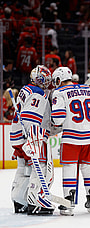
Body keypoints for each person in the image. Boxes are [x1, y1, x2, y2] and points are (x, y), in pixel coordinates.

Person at [51, 67, 90, 216]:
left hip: (72, 136)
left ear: (59, 80)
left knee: (69, 168)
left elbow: (58, 119)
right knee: (88, 168)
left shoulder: (59, 93)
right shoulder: (88, 90)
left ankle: (68, 203)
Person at [10, 65, 54, 215]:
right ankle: (36, 201)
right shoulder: (38, 93)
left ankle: (19, 200)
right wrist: (32, 139)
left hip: (17, 135)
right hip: (31, 136)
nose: (48, 83)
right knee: (41, 166)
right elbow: (30, 118)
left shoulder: (25, 89)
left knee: (23, 169)